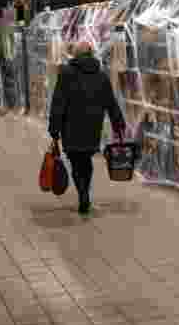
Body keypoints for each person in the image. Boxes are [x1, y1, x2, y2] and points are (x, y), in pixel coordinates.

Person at [48, 42, 126, 215]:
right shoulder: (101, 75)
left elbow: (58, 103)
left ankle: (83, 194)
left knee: (76, 161)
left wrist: (54, 128)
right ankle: (85, 194)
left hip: (71, 127)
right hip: (93, 126)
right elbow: (111, 102)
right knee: (87, 159)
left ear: (75, 54)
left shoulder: (66, 73)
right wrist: (118, 124)